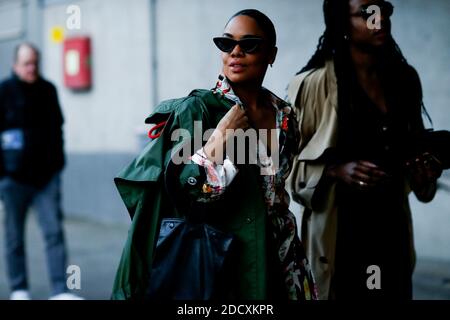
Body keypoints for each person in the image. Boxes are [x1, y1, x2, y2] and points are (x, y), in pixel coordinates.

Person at [112, 9, 317, 300]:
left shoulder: (284, 116)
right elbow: (183, 192)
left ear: (271, 54)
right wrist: (218, 140)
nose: (235, 52)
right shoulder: (198, 111)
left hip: (283, 257)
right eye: (226, 43)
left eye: (249, 44)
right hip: (225, 260)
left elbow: (277, 189)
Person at [287, 0, 442, 299]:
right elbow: (288, 167)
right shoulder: (315, 84)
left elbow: (415, 151)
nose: (379, 19)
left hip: (391, 227)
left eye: (384, 9)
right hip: (340, 231)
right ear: (342, 24)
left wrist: (425, 171)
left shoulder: (404, 80)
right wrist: (334, 169)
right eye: (367, 13)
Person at [0, 43, 82, 300]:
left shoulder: (48, 90)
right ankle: (19, 289)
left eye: (35, 62)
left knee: (54, 232)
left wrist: (58, 165)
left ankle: (60, 290)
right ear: (15, 65)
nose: (31, 68)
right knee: (14, 236)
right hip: (13, 180)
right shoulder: (4, 91)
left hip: (47, 178)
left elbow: (58, 129)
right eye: (26, 63)